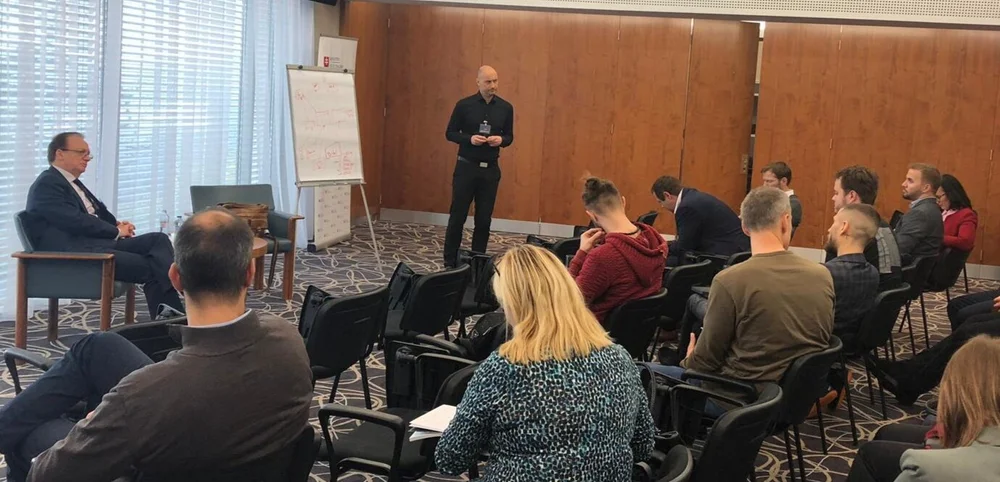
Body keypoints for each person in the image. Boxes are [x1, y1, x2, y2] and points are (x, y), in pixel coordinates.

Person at [0, 209, 314, 482]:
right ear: (249, 272)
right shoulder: (288, 339)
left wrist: (91, 425)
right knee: (98, 347)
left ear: (175, 277)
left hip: (158, 454)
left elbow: (48, 474)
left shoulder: (141, 396)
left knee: (31, 435)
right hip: (225, 439)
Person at [435, 245, 655, 480]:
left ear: (513, 304)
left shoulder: (504, 368)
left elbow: (450, 460)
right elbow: (643, 446)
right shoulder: (620, 358)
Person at [648, 187, 834, 406]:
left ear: (744, 227)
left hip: (735, 400)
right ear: (786, 221)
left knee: (641, 372)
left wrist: (689, 359)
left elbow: (704, 364)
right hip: (794, 399)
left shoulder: (729, 280)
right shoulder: (822, 275)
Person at [25, 132, 183, 319]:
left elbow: (95, 212)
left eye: (88, 154)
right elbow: (75, 221)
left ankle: (175, 304)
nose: (87, 158)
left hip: (95, 244)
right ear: (60, 153)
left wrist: (117, 224)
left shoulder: (70, 182)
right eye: (81, 152)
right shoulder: (47, 184)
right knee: (153, 266)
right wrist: (115, 231)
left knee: (158, 239)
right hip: (75, 254)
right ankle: (174, 314)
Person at [847, 335, 1000, 482]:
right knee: (886, 433)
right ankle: (907, 376)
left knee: (869, 455)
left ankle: (907, 380)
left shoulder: (924, 470)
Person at [442, 65, 514, 268]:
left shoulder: (506, 108)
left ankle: (477, 260)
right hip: (466, 167)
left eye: (495, 81)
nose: (493, 86)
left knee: (483, 219)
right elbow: (450, 133)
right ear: (478, 82)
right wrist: (469, 139)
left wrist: (501, 140)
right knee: (458, 216)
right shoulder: (464, 105)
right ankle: (450, 261)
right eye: (488, 82)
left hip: (490, 170)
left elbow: (509, 136)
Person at [569, 177, 667, 326]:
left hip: (596, 334)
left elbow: (569, 301)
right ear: (623, 202)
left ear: (592, 216)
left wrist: (581, 254)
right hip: (636, 333)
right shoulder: (655, 241)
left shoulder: (603, 257)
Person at [827, 165, 903, 291]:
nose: (833, 198)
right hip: (886, 299)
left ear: (851, 196)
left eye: (836, 193)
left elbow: (829, 280)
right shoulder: (883, 226)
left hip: (861, 299)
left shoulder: (850, 232)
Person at [650, 175, 749, 266]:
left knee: (657, 264)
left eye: (660, 202)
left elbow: (684, 246)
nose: (662, 206)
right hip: (737, 249)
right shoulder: (693, 197)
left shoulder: (686, 207)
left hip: (724, 255)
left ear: (667, 195)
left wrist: (659, 251)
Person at [824, 204, 880, 352]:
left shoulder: (825, 273)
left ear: (844, 227)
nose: (829, 229)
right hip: (847, 347)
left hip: (822, 345)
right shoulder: (873, 273)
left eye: (833, 222)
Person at [896, 163, 944, 264]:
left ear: (926, 188)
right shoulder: (932, 208)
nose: (903, 184)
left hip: (904, 269)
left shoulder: (920, 213)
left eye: (910, 181)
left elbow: (898, 250)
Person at [937, 173, 977, 252]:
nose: (937, 201)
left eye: (939, 197)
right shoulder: (939, 211)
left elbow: (966, 242)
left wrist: (936, 238)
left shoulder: (966, 214)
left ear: (951, 194)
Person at [761, 161, 802, 237]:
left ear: (783, 181)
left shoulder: (793, 204)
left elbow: (782, 233)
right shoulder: (766, 199)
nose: (764, 185)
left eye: (769, 181)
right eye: (764, 181)